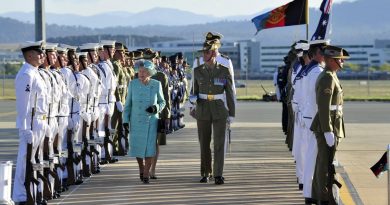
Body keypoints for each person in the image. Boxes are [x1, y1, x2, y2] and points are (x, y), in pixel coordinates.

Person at [310, 45, 349, 205]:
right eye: (340, 59)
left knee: (324, 161)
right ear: (331, 60)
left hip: (333, 123)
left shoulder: (331, 75)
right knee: (324, 163)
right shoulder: (327, 77)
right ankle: (323, 197)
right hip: (328, 124)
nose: (342, 62)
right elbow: (324, 106)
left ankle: (319, 195)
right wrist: (327, 130)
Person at [192, 40, 235, 185]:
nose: (204, 55)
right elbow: (194, 92)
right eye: (203, 52)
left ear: (214, 53)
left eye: (207, 52)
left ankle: (218, 174)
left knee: (218, 143)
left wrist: (232, 113)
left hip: (219, 109)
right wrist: (192, 106)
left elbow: (229, 93)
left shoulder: (223, 70)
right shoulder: (197, 71)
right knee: (204, 143)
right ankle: (205, 172)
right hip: (203, 108)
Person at [13, 40, 48, 205]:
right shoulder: (26, 74)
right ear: (29, 55)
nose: (43, 55)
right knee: (24, 160)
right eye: (39, 52)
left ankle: (34, 193)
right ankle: (21, 196)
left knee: (35, 160)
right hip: (31, 124)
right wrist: (26, 128)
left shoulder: (35, 72)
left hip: (40, 121)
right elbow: (23, 105)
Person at [122, 60, 166, 184]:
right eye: (140, 71)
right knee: (137, 146)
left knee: (150, 147)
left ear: (150, 73)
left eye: (144, 71)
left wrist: (155, 108)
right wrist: (125, 120)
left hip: (151, 120)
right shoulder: (132, 84)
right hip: (136, 120)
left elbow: (163, 102)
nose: (141, 74)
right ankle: (141, 167)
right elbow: (128, 104)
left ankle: (146, 172)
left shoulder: (156, 84)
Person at [299, 39, 329, 204]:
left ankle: (310, 192)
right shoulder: (317, 71)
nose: (326, 55)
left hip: (310, 116)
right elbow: (318, 99)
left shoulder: (311, 69)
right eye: (323, 51)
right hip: (316, 119)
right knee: (314, 156)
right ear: (317, 53)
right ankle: (311, 193)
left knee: (311, 155)